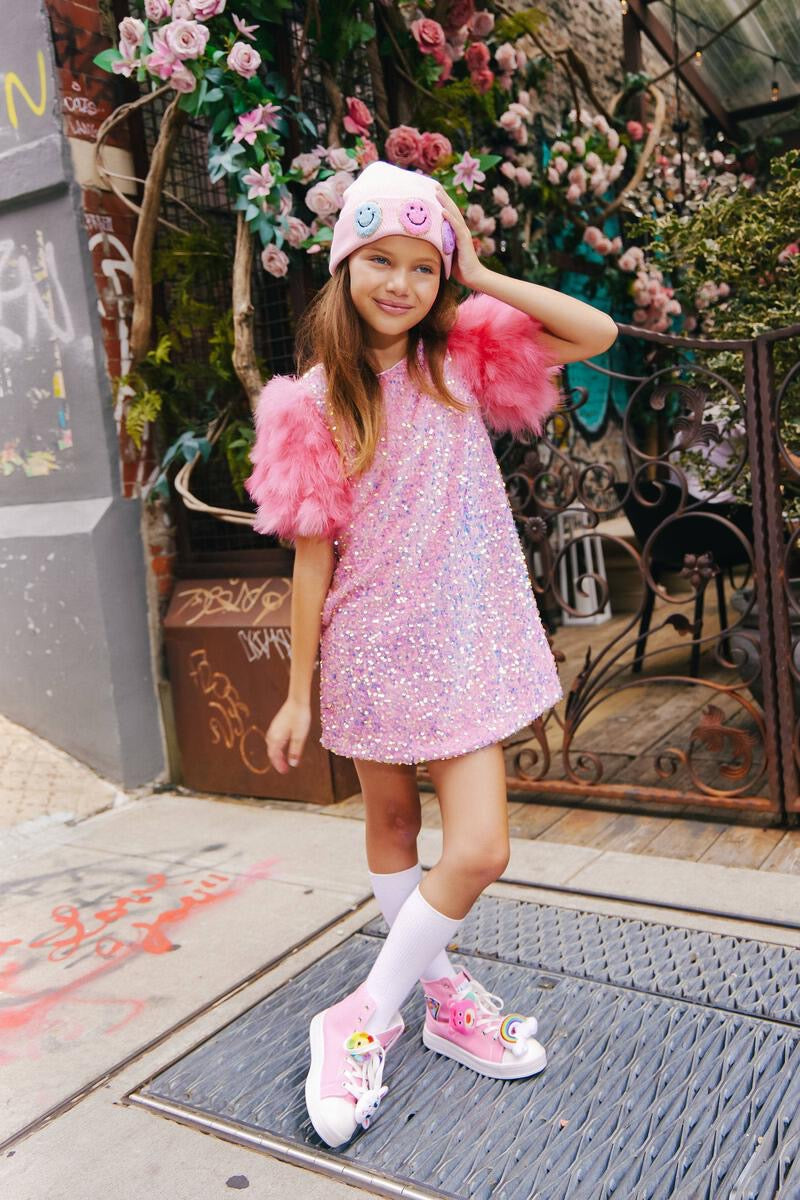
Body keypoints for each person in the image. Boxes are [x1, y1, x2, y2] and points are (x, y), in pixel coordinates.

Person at [245, 160, 618, 1148]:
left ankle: (361, 1014)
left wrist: (479, 273)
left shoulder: (459, 357)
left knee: (481, 849)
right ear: (344, 264)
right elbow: (311, 559)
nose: (401, 283)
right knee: (393, 820)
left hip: (463, 643)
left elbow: (595, 333)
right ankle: (441, 993)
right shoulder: (311, 402)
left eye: (423, 265)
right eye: (381, 260)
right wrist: (295, 692)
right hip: (370, 645)